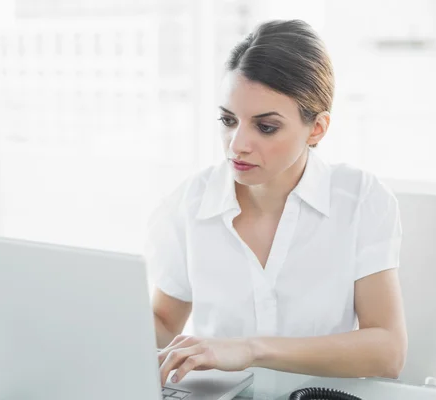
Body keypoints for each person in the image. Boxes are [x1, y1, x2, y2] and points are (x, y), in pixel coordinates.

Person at [145, 19, 407, 387]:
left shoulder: (361, 200)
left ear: (316, 128)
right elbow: (163, 323)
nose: (237, 144)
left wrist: (249, 348)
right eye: (228, 120)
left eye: (265, 127)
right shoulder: (189, 202)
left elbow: (387, 352)